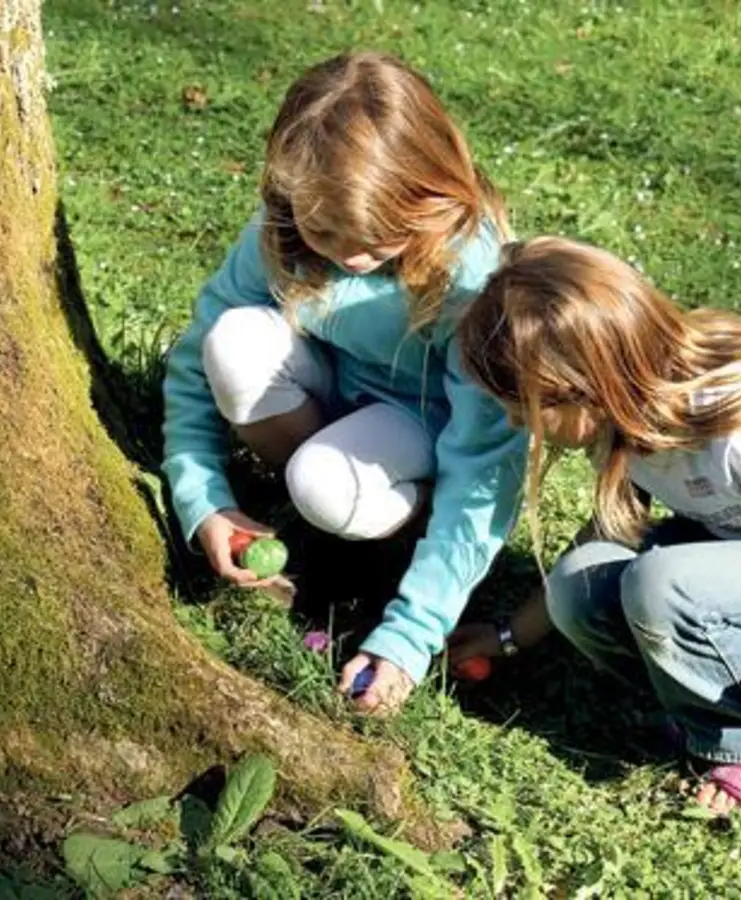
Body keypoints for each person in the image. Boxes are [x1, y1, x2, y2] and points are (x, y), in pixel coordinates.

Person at [448, 237, 741, 822]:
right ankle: (705, 693)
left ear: (586, 386)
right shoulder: (624, 413)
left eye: (522, 405)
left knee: (665, 586)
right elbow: (609, 533)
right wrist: (510, 635)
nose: (515, 420)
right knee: (577, 586)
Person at [161, 52, 526, 714]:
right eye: (325, 230)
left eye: (380, 237)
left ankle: (396, 547)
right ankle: (318, 517)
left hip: (422, 433)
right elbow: (195, 365)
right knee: (234, 344)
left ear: (431, 192)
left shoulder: (471, 283)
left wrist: (410, 639)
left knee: (323, 484)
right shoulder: (279, 234)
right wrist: (204, 500)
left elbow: (485, 468)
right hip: (333, 403)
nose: (352, 256)